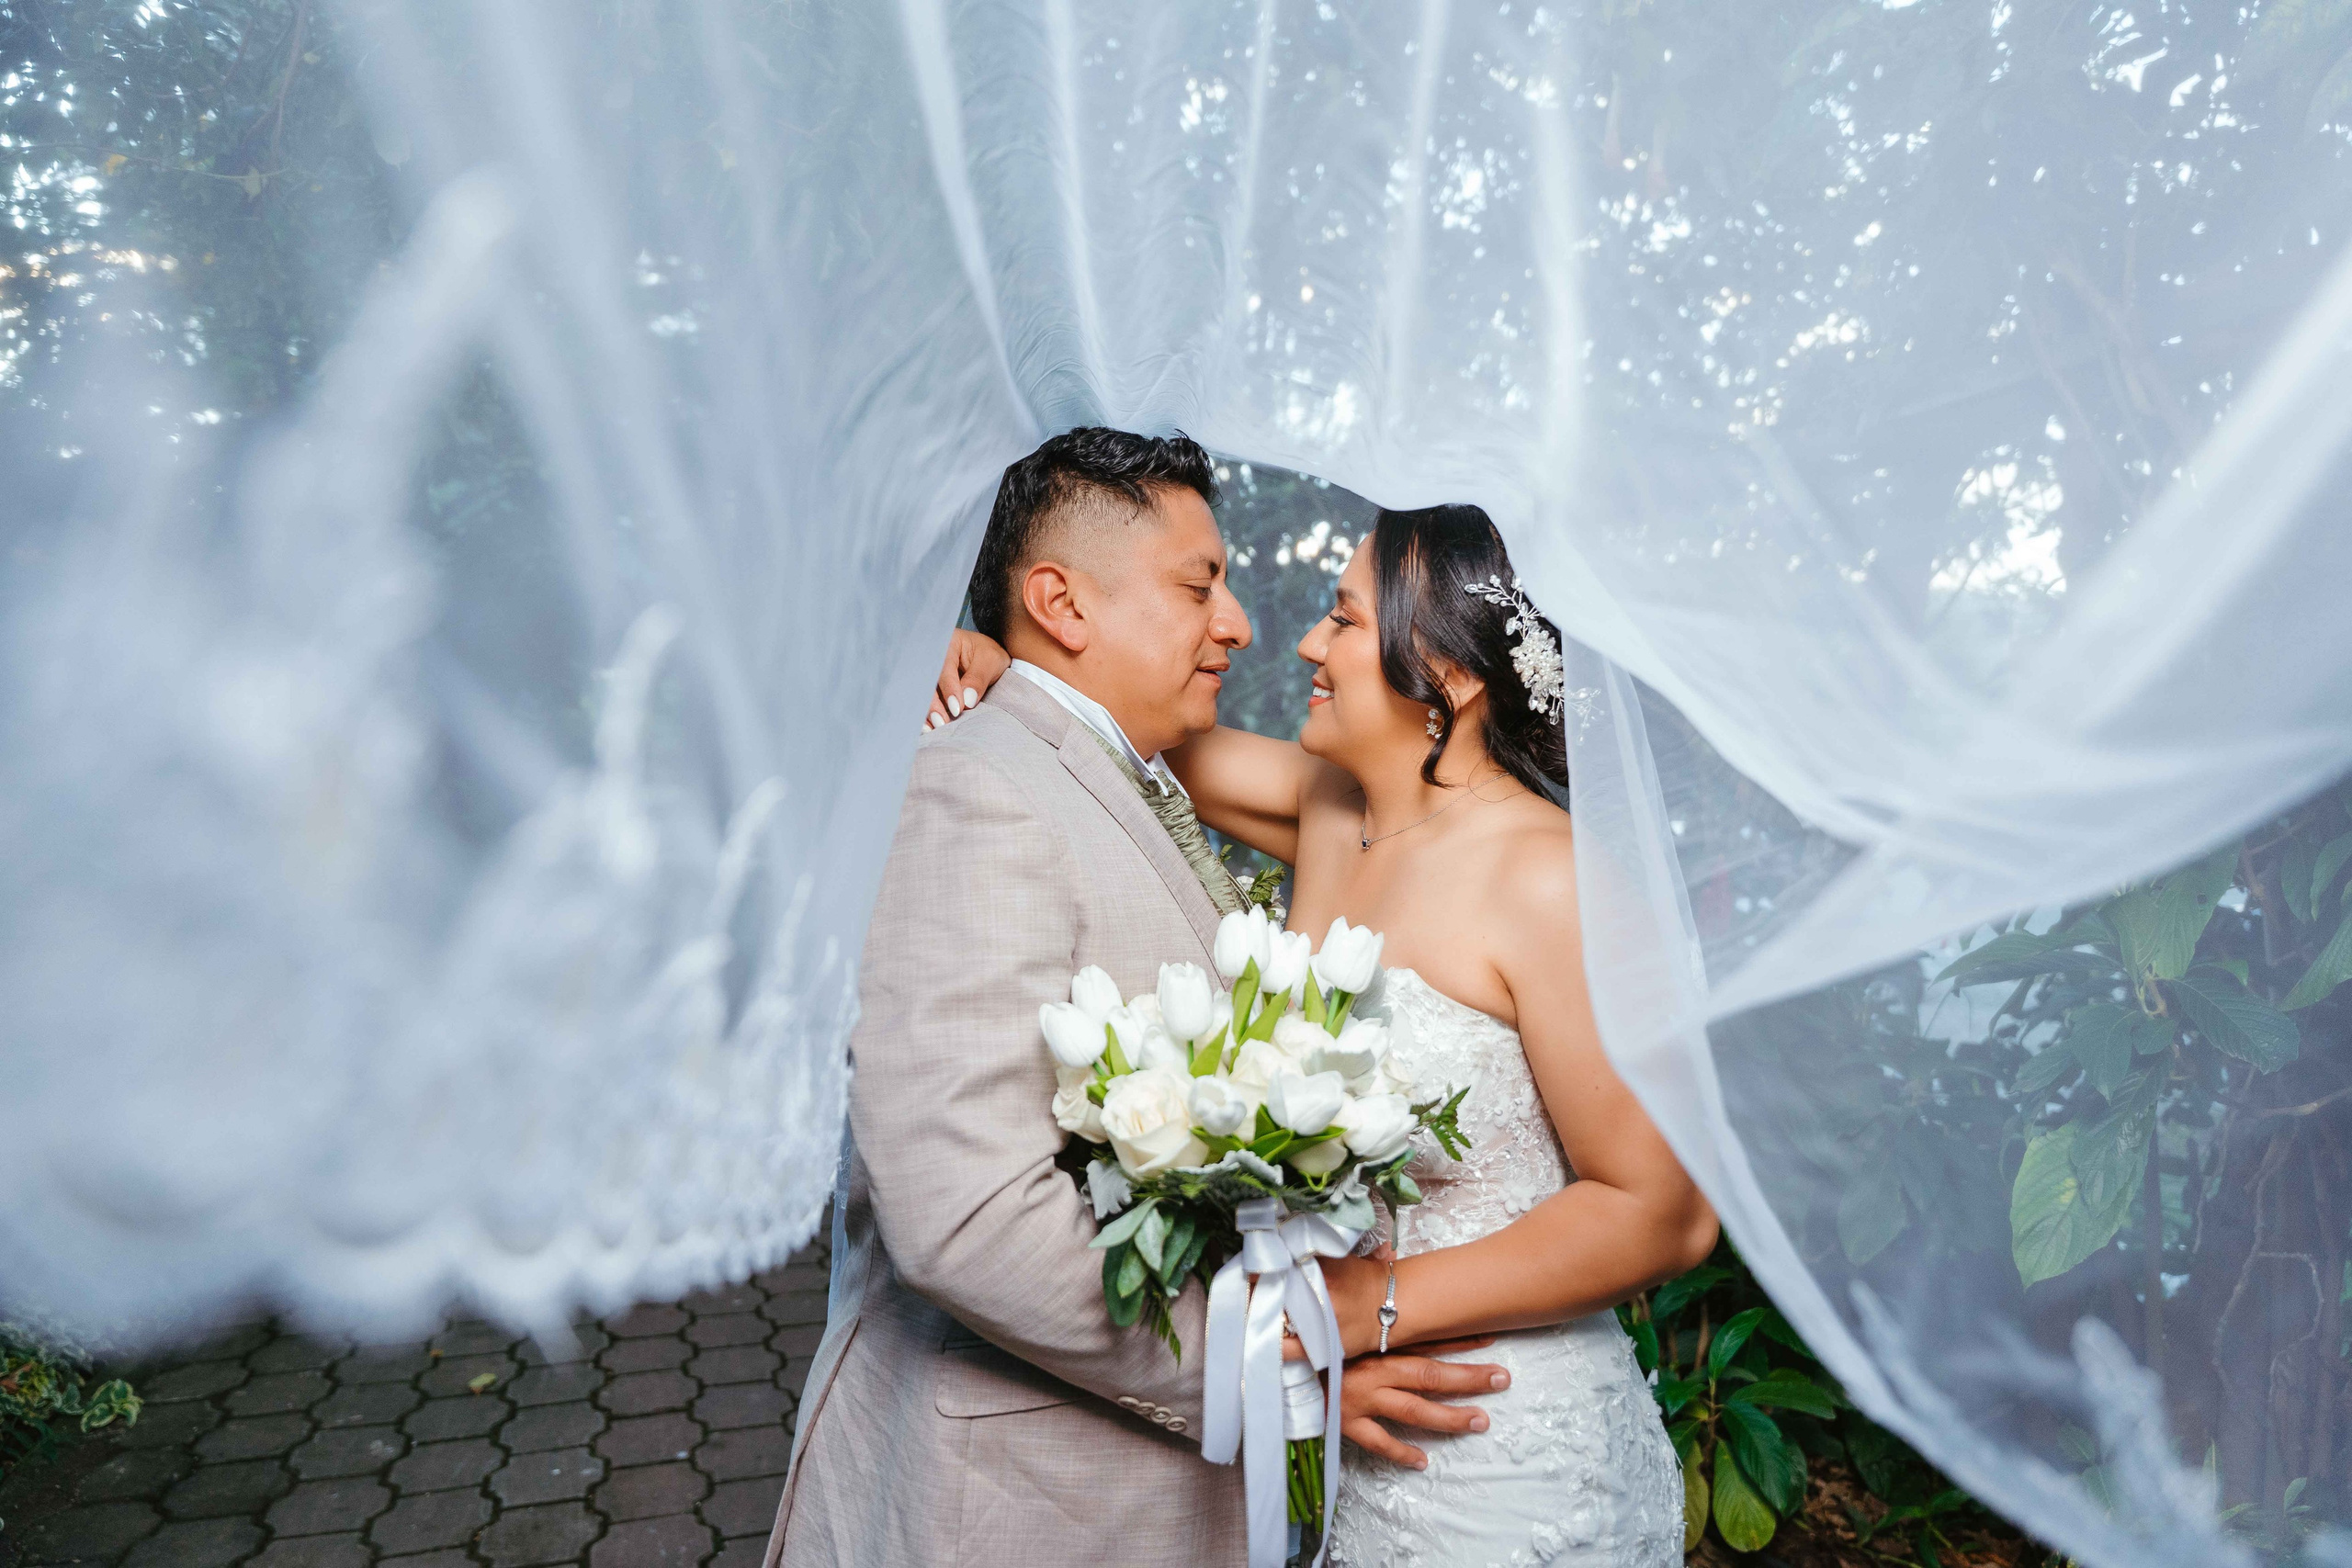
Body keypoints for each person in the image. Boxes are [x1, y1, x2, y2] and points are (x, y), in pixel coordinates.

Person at [766, 431, 1505, 1568]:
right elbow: (967, 1220)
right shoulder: (977, 790)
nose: (1241, 623)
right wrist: (1273, 1363)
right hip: (1016, 1506)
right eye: (1198, 584)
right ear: (1059, 602)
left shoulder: (1118, 773)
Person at [935, 500, 1716, 1567]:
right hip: (1335, 1428)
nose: (1306, 641)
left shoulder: (1547, 877)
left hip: (1498, 1440)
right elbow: (1113, 729)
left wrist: (1368, 1311)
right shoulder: (1330, 810)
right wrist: (996, 656)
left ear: (1446, 671)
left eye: (1342, 620)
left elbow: (1662, 1215)